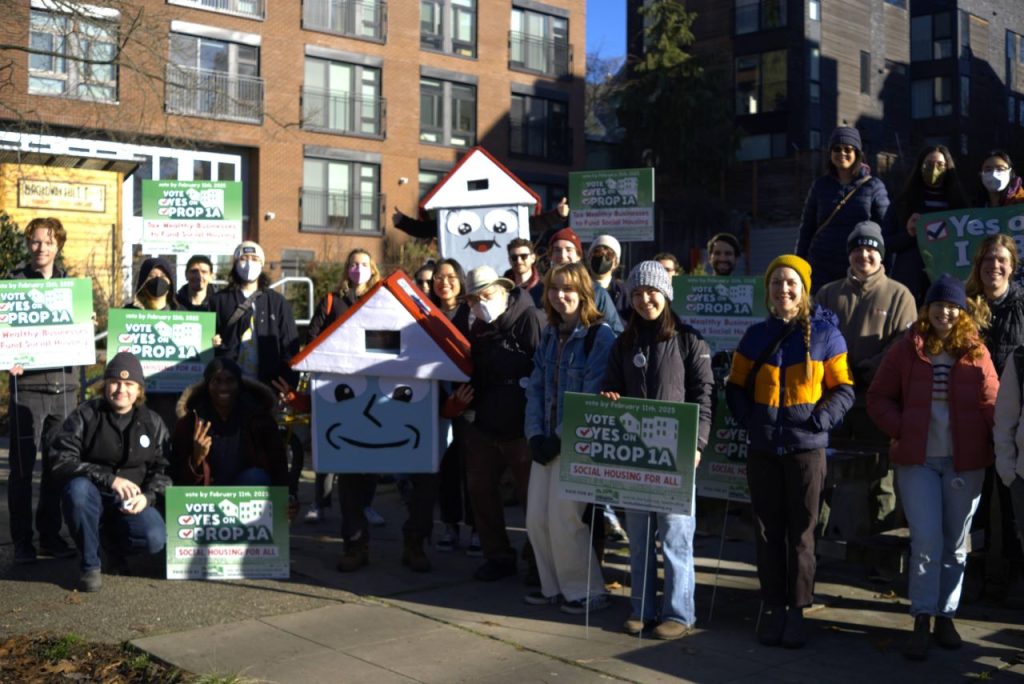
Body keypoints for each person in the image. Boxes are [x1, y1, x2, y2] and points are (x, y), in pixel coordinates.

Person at [726, 255, 854, 648]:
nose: (784, 289)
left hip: (806, 451)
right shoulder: (753, 336)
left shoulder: (826, 336)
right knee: (767, 532)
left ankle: (798, 609)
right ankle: (773, 607)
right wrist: (751, 421)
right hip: (763, 448)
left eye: (791, 283)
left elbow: (844, 389)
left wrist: (819, 422)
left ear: (804, 290)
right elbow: (734, 386)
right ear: (768, 291)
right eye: (777, 282)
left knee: (801, 534)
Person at [867, 274, 997, 661]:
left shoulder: (976, 351)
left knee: (956, 546)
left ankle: (947, 614)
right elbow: (878, 398)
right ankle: (922, 615)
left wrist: (998, 443)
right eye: (939, 304)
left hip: (965, 462)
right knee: (926, 542)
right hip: (918, 461)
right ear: (927, 309)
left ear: (963, 310)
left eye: (953, 305)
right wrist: (902, 428)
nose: (946, 311)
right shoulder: (907, 349)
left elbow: (994, 403)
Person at [601, 261, 714, 639]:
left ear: (666, 293)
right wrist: (610, 396)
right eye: (637, 293)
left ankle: (680, 615)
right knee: (640, 537)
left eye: (651, 291)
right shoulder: (625, 342)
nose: (645, 299)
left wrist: (697, 444)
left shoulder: (688, 339)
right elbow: (610, 385)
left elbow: (704, 397)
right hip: (636, 456)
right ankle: (642, 609)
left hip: (674, 455)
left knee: (675, 537)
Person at [815, 222, 917, 541]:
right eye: (858, 248)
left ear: (881, 254)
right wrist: (840, 372)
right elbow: (815, 338)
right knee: (822, 475)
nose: (864, 254)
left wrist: (869, 368)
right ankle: (816, 546)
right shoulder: (828, 293)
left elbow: (904, 343)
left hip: (879, 402)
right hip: (832, 400)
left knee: (881, 480)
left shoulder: (900, 295)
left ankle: (880, 558)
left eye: (871, 248)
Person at [524, 262, 615, 614]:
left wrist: (562, 438)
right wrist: (534, 434)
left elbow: (594, 394)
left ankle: (586, 590)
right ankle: (554, 587)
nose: (560, 296)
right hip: (544, 439)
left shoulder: (599, 336)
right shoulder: (549, 333)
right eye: (553, 288)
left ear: (583, 292)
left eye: (568, 289)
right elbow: (535, 387)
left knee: (565, 521)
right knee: (536, 519)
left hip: (577, 444)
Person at [48, 352, 170, 592]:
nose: (121, 389)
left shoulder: (153, 422)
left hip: (130, 503)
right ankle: (90, 565)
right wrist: (110, 479)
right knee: (78, 492)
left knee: (155, 538)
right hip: (92, 496)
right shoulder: (85, 415)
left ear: (139, 390)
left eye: (129, 384)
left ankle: (112, 547)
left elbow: (164, 469)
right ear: (105, 385)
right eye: (115, 382)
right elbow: (60, 461)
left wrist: (148, 497)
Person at [457, 265, 543, 581]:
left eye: (487, 295)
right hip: (484, 421)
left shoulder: (530, 318)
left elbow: (542, 367)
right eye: (474, 298)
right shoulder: (475, 325)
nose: (481, 303)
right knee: (480, 490)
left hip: (522, 424)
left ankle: (538, 560)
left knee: (531, 496)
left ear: (502, 290)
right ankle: (497, 556)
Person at [6, 217, 79, 564]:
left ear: (58, 246)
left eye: (48, 242)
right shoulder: (13, 284)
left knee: (56, 467)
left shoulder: (72, 285)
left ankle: (50, 536)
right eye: (35, 242)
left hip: (65, 387)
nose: (41, 248)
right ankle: (23, 541)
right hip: (28, 388)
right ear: (28, 244)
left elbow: (78, 332)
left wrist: (86, 324)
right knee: (21, 469)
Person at [304, 248, 384, 526]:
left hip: (370, 384)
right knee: (329, 443)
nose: (358, 269)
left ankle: (367, 505)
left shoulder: (380, 300)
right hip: (333, 383)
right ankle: (320, 502)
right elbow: (312, 336)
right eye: (353, 264)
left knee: (370, 447)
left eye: (364, 263)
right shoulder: (332, 300)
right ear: (346, 269)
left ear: (372, 269)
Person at [964, 234, 1024, 597]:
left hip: (1013, 418)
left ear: (1012, 266)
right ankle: (978, 572)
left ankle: (1014, 576)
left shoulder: (1022, 304)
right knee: (977, 500)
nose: (994, 267)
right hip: (972, 416)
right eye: (987, 260)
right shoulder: (966, 307)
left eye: (1001, 260)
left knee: (1014, 498)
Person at [796, 126, 890, 292]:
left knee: (854, 314)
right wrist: (799, 264)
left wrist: (886, 266)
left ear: (857, 153)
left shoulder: (873, 185)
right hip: (821, 266)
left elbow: (886, 227)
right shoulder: (820, 186)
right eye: (837, 149)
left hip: (859, 264)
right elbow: (807, 228)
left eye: (848, 149)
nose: (842, 153)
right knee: (822, 316)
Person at [171, 357, 288, 488]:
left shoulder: (259, 418)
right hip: (205, 496)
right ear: (207, 385)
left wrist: (289, 496)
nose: (223, 387)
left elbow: (279, 464)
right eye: (217, 381)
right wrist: (196, 459)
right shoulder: (191, 421)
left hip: (246, 495)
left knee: (256, 476)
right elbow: (176, 476)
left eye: (230, 381)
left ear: (239, 384)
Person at [428, 259, 478, 554]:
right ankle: (449, 525)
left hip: (468, 398)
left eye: (449, 277)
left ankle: (476, 528)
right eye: (437, 277)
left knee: (471, 466)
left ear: (460, 280)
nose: (443, 282)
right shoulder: (426, 313)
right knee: (445, 466)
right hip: (437, 400)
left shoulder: (470, 312)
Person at [886, 145, 968, 303]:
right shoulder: (902, 203)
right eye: (928, 164)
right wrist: (908, 234)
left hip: (946, 286)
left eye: (940, 165)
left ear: (948, 168)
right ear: (919, 166)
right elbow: (886, 244)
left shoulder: (960, 205)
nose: (934, 169)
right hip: (909, 283)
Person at [211, 241, 299, 387]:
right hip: (227, 386)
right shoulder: (219, 301)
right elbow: (207, 343)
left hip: (268, 386)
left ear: (262, 263)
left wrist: (288, 383)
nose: (249, 263)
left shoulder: (277, 302)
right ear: (235, 263)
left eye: (254, 258)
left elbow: (289, 346)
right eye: (244, 258)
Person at [125, 256, 181, 432]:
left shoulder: (183, 315)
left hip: (171, 396)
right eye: (151, 276)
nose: (158, 280)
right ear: (142, 281)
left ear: (171, 282)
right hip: (136, 396)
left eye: (163, 276)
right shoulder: (127, 313)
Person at [547, 227, 623, 334]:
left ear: (579, 255)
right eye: (557, 250)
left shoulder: (596, 292)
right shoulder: (543, 288)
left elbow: (615, 333)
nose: (562, 255)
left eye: (569, 250)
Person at [587, 234, 630, 321]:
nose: (602, 258)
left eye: (609, 255)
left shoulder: (623, 291)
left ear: (616, 263)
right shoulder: (579, 287)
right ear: (589, 257)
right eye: (597, 253)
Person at [504, 238, 542, 306]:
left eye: (524, 256)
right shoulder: (503, 289)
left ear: (533, 258)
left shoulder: (545, 286)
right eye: (514, 257)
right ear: (509, 260)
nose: (519, 261)